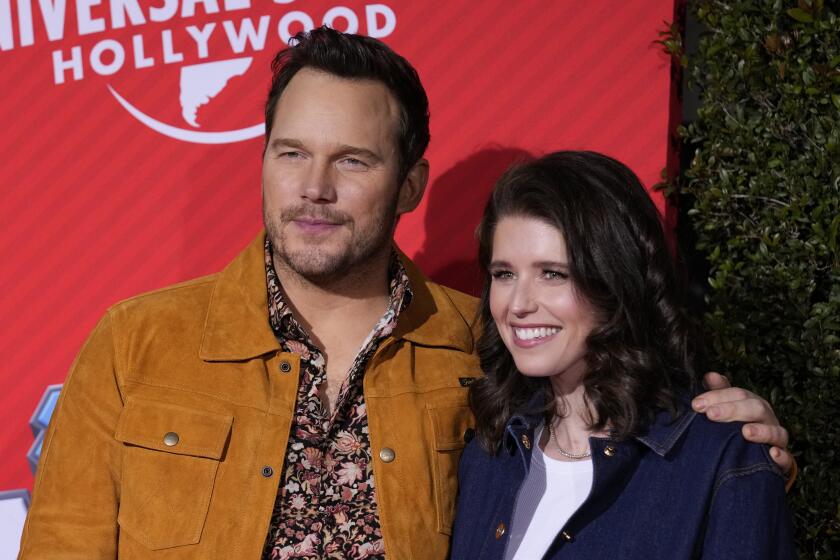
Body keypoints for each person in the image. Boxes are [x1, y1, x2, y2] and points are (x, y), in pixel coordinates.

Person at [18, 29, 792, 560]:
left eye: (352, 161)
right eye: (291, 153)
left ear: (410, 184)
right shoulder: (137, 343)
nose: (314, 189)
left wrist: (740, 461)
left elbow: (609, 463)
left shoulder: (483, 349)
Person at [450, 151, 796, 559]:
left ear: (615, 280)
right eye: (504, 274)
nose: (518, 304)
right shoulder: (490, 453)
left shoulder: (723, 459)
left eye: (553, 273)